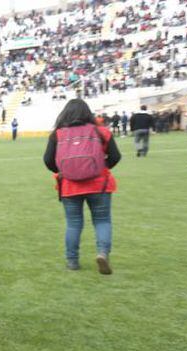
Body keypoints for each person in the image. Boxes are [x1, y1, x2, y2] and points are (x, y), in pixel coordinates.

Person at [43, 98, 120, 274]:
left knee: (73, 224)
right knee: (102, 221)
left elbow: (47, 160)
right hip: (99, 185)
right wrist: (101, 167)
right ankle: (102, 253)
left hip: (70, 186)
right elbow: (115, 156)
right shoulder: (101, 132)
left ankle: (72, 261)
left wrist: (63, 171)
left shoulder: (57, 134)